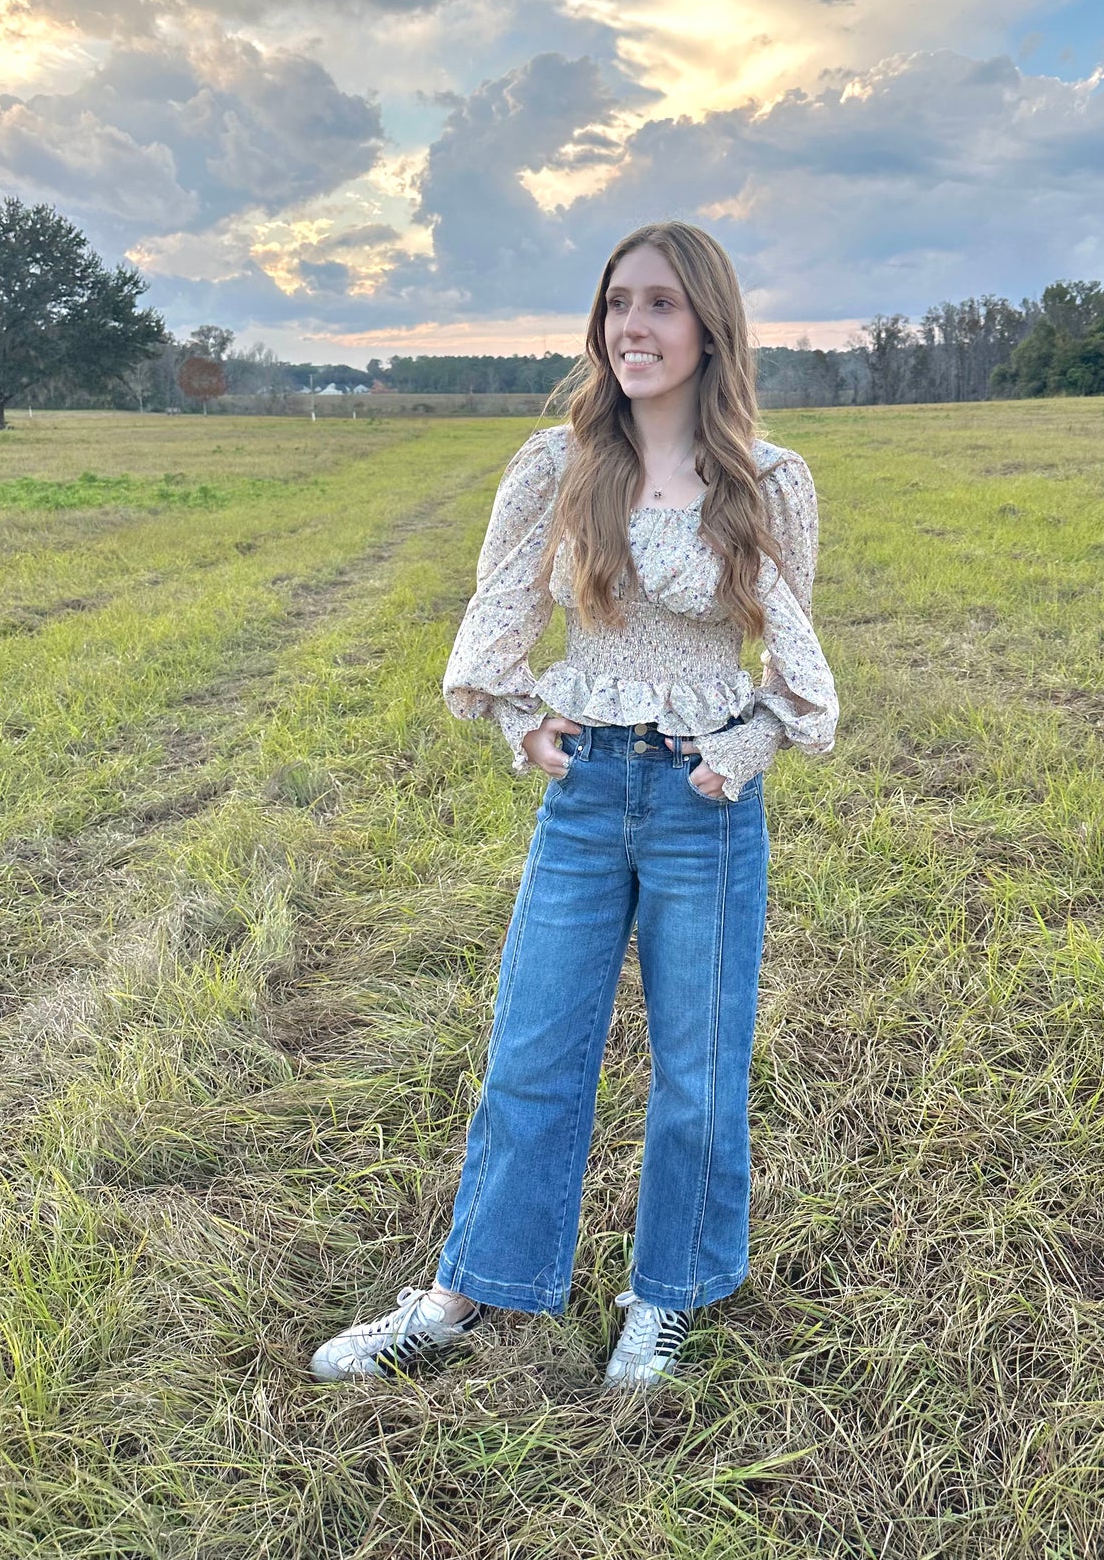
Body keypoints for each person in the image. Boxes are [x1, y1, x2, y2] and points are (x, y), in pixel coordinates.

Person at [310, 221, 838, 1391]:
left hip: (700, 802)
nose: (631, 326)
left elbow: (791, 660)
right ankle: (462, 1290)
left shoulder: (767, 479)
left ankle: (667, 1296)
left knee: (698, 1067)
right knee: (532, 1049)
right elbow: (497, 620)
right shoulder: (557, 465)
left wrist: (739, 752)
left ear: (709, 326)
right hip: (586, 791)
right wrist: (518, 718)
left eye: (659, 303)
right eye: (616, 304)